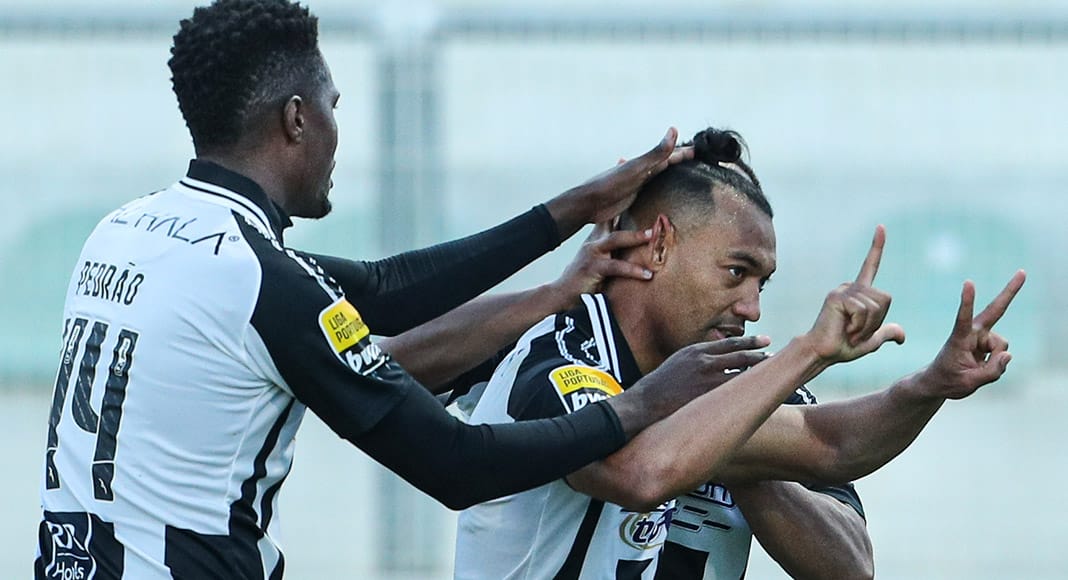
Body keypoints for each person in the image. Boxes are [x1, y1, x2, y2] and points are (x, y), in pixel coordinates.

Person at [33, 2, 776, 579]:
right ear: (297, 119)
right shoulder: (262, 282)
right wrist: (642, 405)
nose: (336, 129)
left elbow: (382, 288)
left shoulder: (125, 232)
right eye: (333, 105)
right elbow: (457, 465)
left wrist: (567, 220)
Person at [451, 128, 1025, 579]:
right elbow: (637, 472)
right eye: (735, 272)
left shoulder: (741, 381)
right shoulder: (556, 357)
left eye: (762, 283)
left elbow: (843, 525)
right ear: (659, 244)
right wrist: (793, 369)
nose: (752, 307)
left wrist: (928, 385)